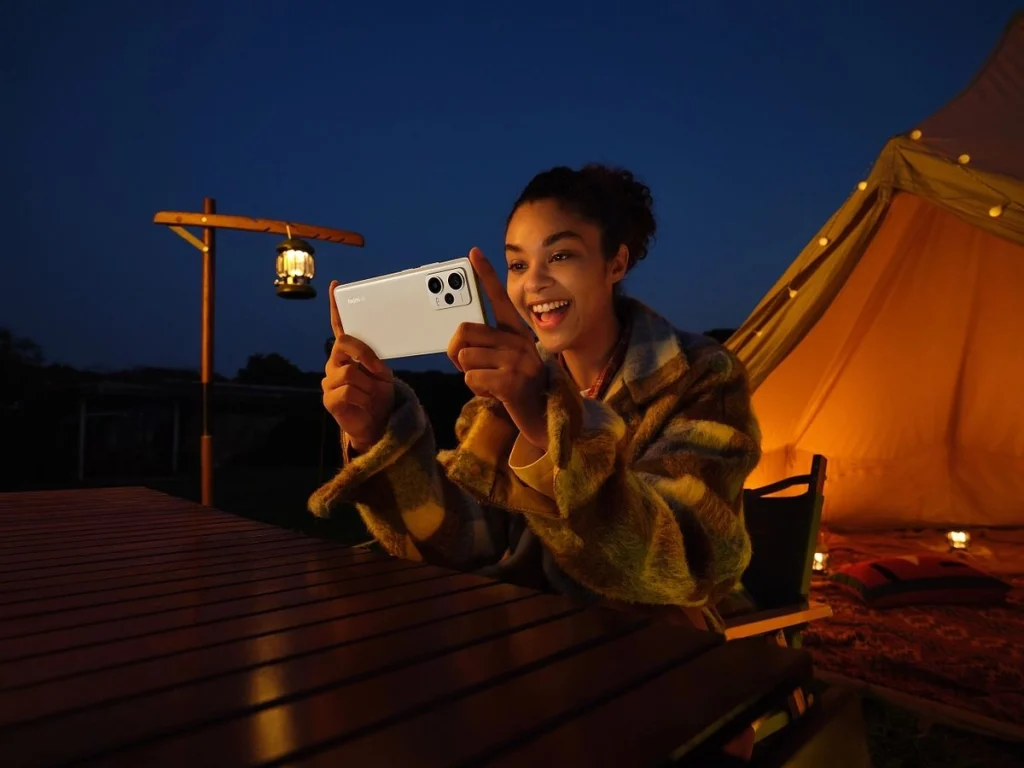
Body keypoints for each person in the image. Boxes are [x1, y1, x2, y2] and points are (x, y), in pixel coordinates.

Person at [309, 163, 762, 633]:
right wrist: (378, 428)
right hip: (533, 633)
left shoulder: (700, 375)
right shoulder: (507, 387)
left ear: (616, 263)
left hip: (661, 644)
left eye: (561, 256)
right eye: (518, 264)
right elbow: (468, 542)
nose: (533, 284)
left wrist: (543, 421)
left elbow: (687, 566)